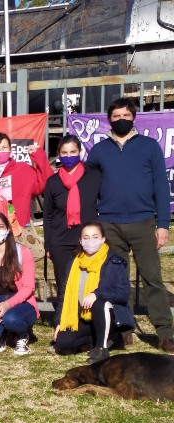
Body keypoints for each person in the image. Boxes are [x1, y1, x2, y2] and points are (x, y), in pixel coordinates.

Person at [85, 97, 173, 353]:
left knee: (152, 279)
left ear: (133, 117)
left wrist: (163, 224)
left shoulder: (149, 146)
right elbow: (89, 187)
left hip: (143, 222)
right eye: (116, 116)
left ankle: (165, 333)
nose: (121, 119)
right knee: (116, 280)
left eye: (125, 115)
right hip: (110, 224)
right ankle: (124, 330)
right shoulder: (99, 150)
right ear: (108, 120)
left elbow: (160, 185)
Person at [52, 222, 135, 363]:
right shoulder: (74, 261)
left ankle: (102, 347)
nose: (90, 241)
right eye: (86, 237)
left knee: (99, 303)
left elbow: (123, 293)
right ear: (80, 240)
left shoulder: (113, 261)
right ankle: (99, 339)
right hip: (82, 316)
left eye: (95, 236)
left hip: (108, 314)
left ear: (103, 239)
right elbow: (64, 294)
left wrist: (97, 293)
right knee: (63, 343)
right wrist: (59, 321)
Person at [42, 135, 100, 316]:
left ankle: (86, 322)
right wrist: (48, 244)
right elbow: (48, 216)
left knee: (87, 283)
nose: (69, 156)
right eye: (64, 152)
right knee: (64, 285)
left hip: (87, 240)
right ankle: (63, 323)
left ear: (80, 152)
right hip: (60, 241)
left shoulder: (94, 177)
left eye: (73, 152)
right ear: (58, 154)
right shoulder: (53, 182)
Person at [0, 212, 40, 355]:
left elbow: (28, 287)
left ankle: (22, 335)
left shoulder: (23, 252)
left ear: (8, 229)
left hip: (21, 300)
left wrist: (7, 305)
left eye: (0, 226)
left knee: (12, 318)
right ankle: (0, 335)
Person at [0, 133, 53, 228]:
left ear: (10, 150)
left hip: (19, 232)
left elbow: (46, 183)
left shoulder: (23, 170)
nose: (1, 151)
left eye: (4, 147)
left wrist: (39, 156)